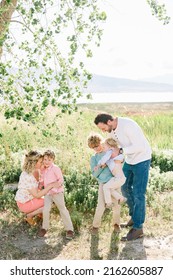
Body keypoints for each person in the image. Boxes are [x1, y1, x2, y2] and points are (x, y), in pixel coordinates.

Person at [94, 113, 152, 241]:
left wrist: (120, 151)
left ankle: (138, 228)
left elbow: (139, 146)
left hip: (142, 159)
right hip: (130, 160)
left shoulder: (128, 125)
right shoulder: (111, 131)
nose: (103, 131)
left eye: (102, 128)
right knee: (124, 187)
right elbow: (112, 148)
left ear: (109, 121)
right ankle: (134, 217)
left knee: (138, 193)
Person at [88, 133, 123, 234]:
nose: (97, 148)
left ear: (101, 142)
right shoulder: (94, 158)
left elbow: (118, 162)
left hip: (114, 182)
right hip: (103, 184)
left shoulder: (109, 152)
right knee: (101, 206)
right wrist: (102, 167)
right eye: (94, 147)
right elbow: (94, 174)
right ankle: (95, 226)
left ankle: (116, 223)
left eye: (98, 145)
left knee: (116, 205)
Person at [38, 150, 74, 240]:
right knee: (46, 209)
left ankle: (69, 229)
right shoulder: (43, 169)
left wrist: (54, 187)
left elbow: (60, 180)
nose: (47, 162)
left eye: (49, 160)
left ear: (53, 160)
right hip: (47, 193)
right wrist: (40, 185)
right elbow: (42, 179)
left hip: (57, 192)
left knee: (62, 209)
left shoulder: (55, 168)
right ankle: (44, 228)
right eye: (45, 159)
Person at [15, 150, 57, 226]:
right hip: (24, 203)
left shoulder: (36, 170)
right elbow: (37, 195)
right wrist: (50, 186)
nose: (43, 163)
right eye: (41, 162)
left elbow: (40, 186)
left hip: (30, 198)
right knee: (51, 202)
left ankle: (39, 212)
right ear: (34, 163)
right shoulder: (28, 176)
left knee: (50, 198)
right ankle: (30, 215)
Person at [94, 137, 126, 207]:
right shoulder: (111, 157)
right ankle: (121, 198)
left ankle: (108, 203)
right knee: (109, 189)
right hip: (119, 178)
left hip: (119, 178)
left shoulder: (110, 151)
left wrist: (98, 165)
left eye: (104, 147)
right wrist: (100, 165)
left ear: (110, 147)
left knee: (105, 187)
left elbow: (104, 159)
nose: (104, 149)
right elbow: (105, 160)